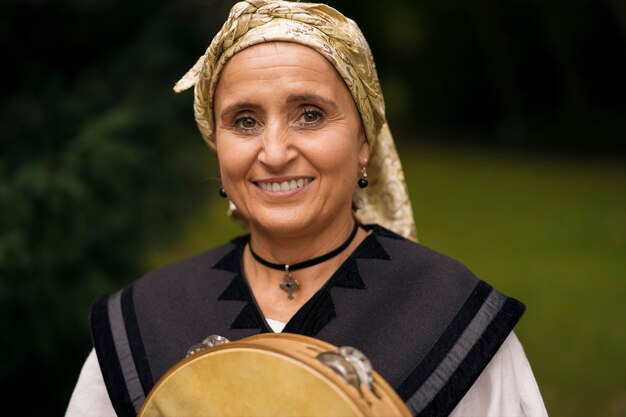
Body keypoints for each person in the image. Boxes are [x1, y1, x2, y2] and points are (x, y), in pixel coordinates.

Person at [65, 1, 548, 416]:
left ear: (364, 142)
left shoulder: (450, 316)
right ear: (217, 147)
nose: (274, 152)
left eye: (310, 114)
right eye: (245, 120)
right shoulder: (146, 319)